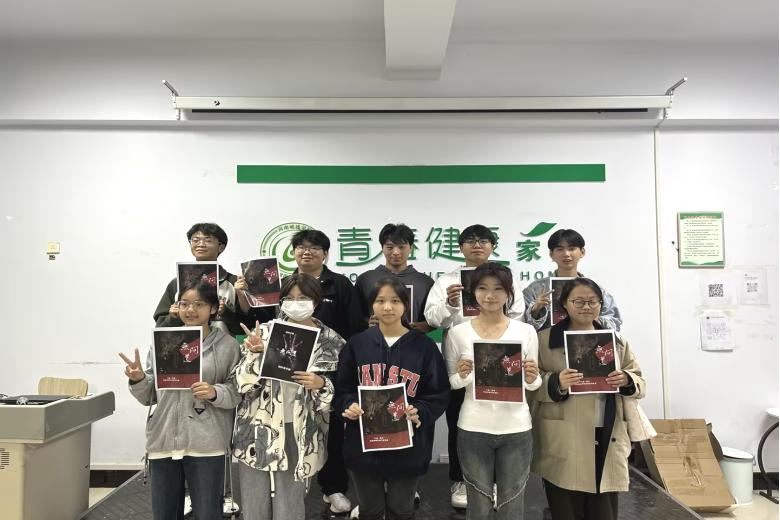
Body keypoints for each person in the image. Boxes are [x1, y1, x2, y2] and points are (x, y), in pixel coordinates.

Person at [423, 224, 526, 509]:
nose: (477, 245)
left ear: (492, 246)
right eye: (470, 240)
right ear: (461, 247)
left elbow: (518, 313)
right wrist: (450, 304)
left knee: (499, 420)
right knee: (459, 420)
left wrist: (494, 311)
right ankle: (460, 479)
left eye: (483, 240)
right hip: (461, 360)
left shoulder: (507, 277)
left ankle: (495, 481)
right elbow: (432, 319)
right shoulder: (447, 280)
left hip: (500, 357)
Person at [121, 281, 241, 520]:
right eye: (184, 304)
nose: (191, 310)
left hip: (207, 443)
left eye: (199, 304)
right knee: (164, 514)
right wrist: (138, 379)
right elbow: (149, 396)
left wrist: (214, 392)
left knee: (208, 513)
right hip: (164, 440)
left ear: (213, 308)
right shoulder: (164, 342)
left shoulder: (227, 346)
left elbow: (237, 392)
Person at [232, 273, 346, 520]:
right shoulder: (264, 332)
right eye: (289, 298)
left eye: (303, 298)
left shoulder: (332, 342)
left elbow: (340, 392)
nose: (296, 303)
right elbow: (241, 383)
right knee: (253, 491)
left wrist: (320, 384)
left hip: (301, 427)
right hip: (257, 423)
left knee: (292, 494)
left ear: (316, 301)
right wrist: (256, 355)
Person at [530, 278, 645, 520]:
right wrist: (556, 382)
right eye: (579, 301)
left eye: (593, 301)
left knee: (603, 505)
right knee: (565, 503)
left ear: (601, 304)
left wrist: (626, 379)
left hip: (606, 429)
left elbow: (639, 380)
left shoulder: (615, 340)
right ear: (564, 303)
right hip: (563, 431)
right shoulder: (544, 340)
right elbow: (530, 384)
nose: (586, 307)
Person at [335, 278, 450, 520]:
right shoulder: (357, 344)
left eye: (395, 301)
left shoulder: (425, 347)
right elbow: (342, 389)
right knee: (369, 510)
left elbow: (438, 393)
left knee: (401, 509)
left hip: (408, 446)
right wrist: (348, 405)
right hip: (364, 446)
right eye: (381, 301)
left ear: (406, 305)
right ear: (372, 306)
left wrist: (420, 411)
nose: (387, 307)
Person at [445, 262, 540, 519]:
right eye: (483, 288)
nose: (490, 295)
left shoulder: (526, 331)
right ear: (473, 292)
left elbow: (533, 383)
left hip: (516, 427)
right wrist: (462, 375)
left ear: (509, 293)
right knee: (478, 504)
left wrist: (533, 378)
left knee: (512, 503)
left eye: (498, 288)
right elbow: (452, 382)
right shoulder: (457, 333)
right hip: (473, 427)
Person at [282, 229, 362, 514]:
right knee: (289, 431)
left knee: (332, 432)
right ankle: (289, 489)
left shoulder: (339, 284)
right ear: (293, 252)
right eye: (301, 247)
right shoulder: (284, 283)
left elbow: (354, 327)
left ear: (325, 253)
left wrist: (346, 367)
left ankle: (333, 488)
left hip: (328, 371)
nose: (307, 252)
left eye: (314, 247)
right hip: (287, 371)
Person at [154, 223, 272, 336]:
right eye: (195, 240)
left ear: (221, 247)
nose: (201, 244)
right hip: (186, 348)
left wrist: (226, 313)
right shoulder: (177, 284)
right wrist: (173, 317)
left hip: (223, 347)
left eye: (208, 240)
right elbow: (160, 327)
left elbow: (249, 326)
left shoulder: (234, 283)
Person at [522, 229, 621, 331]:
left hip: (586, 340)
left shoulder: (595, 289)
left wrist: (593, 318)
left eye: (572, 248)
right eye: (560, 249)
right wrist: (535, 310)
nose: (566, 254)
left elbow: (614, 322)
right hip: (548, 341)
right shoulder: (536, 289)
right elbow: (521, 326)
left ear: (582, 252)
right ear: (551, 254)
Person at [355, 223, 434, 333]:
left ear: (411, 248)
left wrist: (427, 326)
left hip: (413, 341)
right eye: (390, 247)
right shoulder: (366, 280)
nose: (396, 252)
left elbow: (435, 317)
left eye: (401, 247)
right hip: (375, 340)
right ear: (382, 248)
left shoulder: (425, 282)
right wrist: (367, 323)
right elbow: (355, 314)